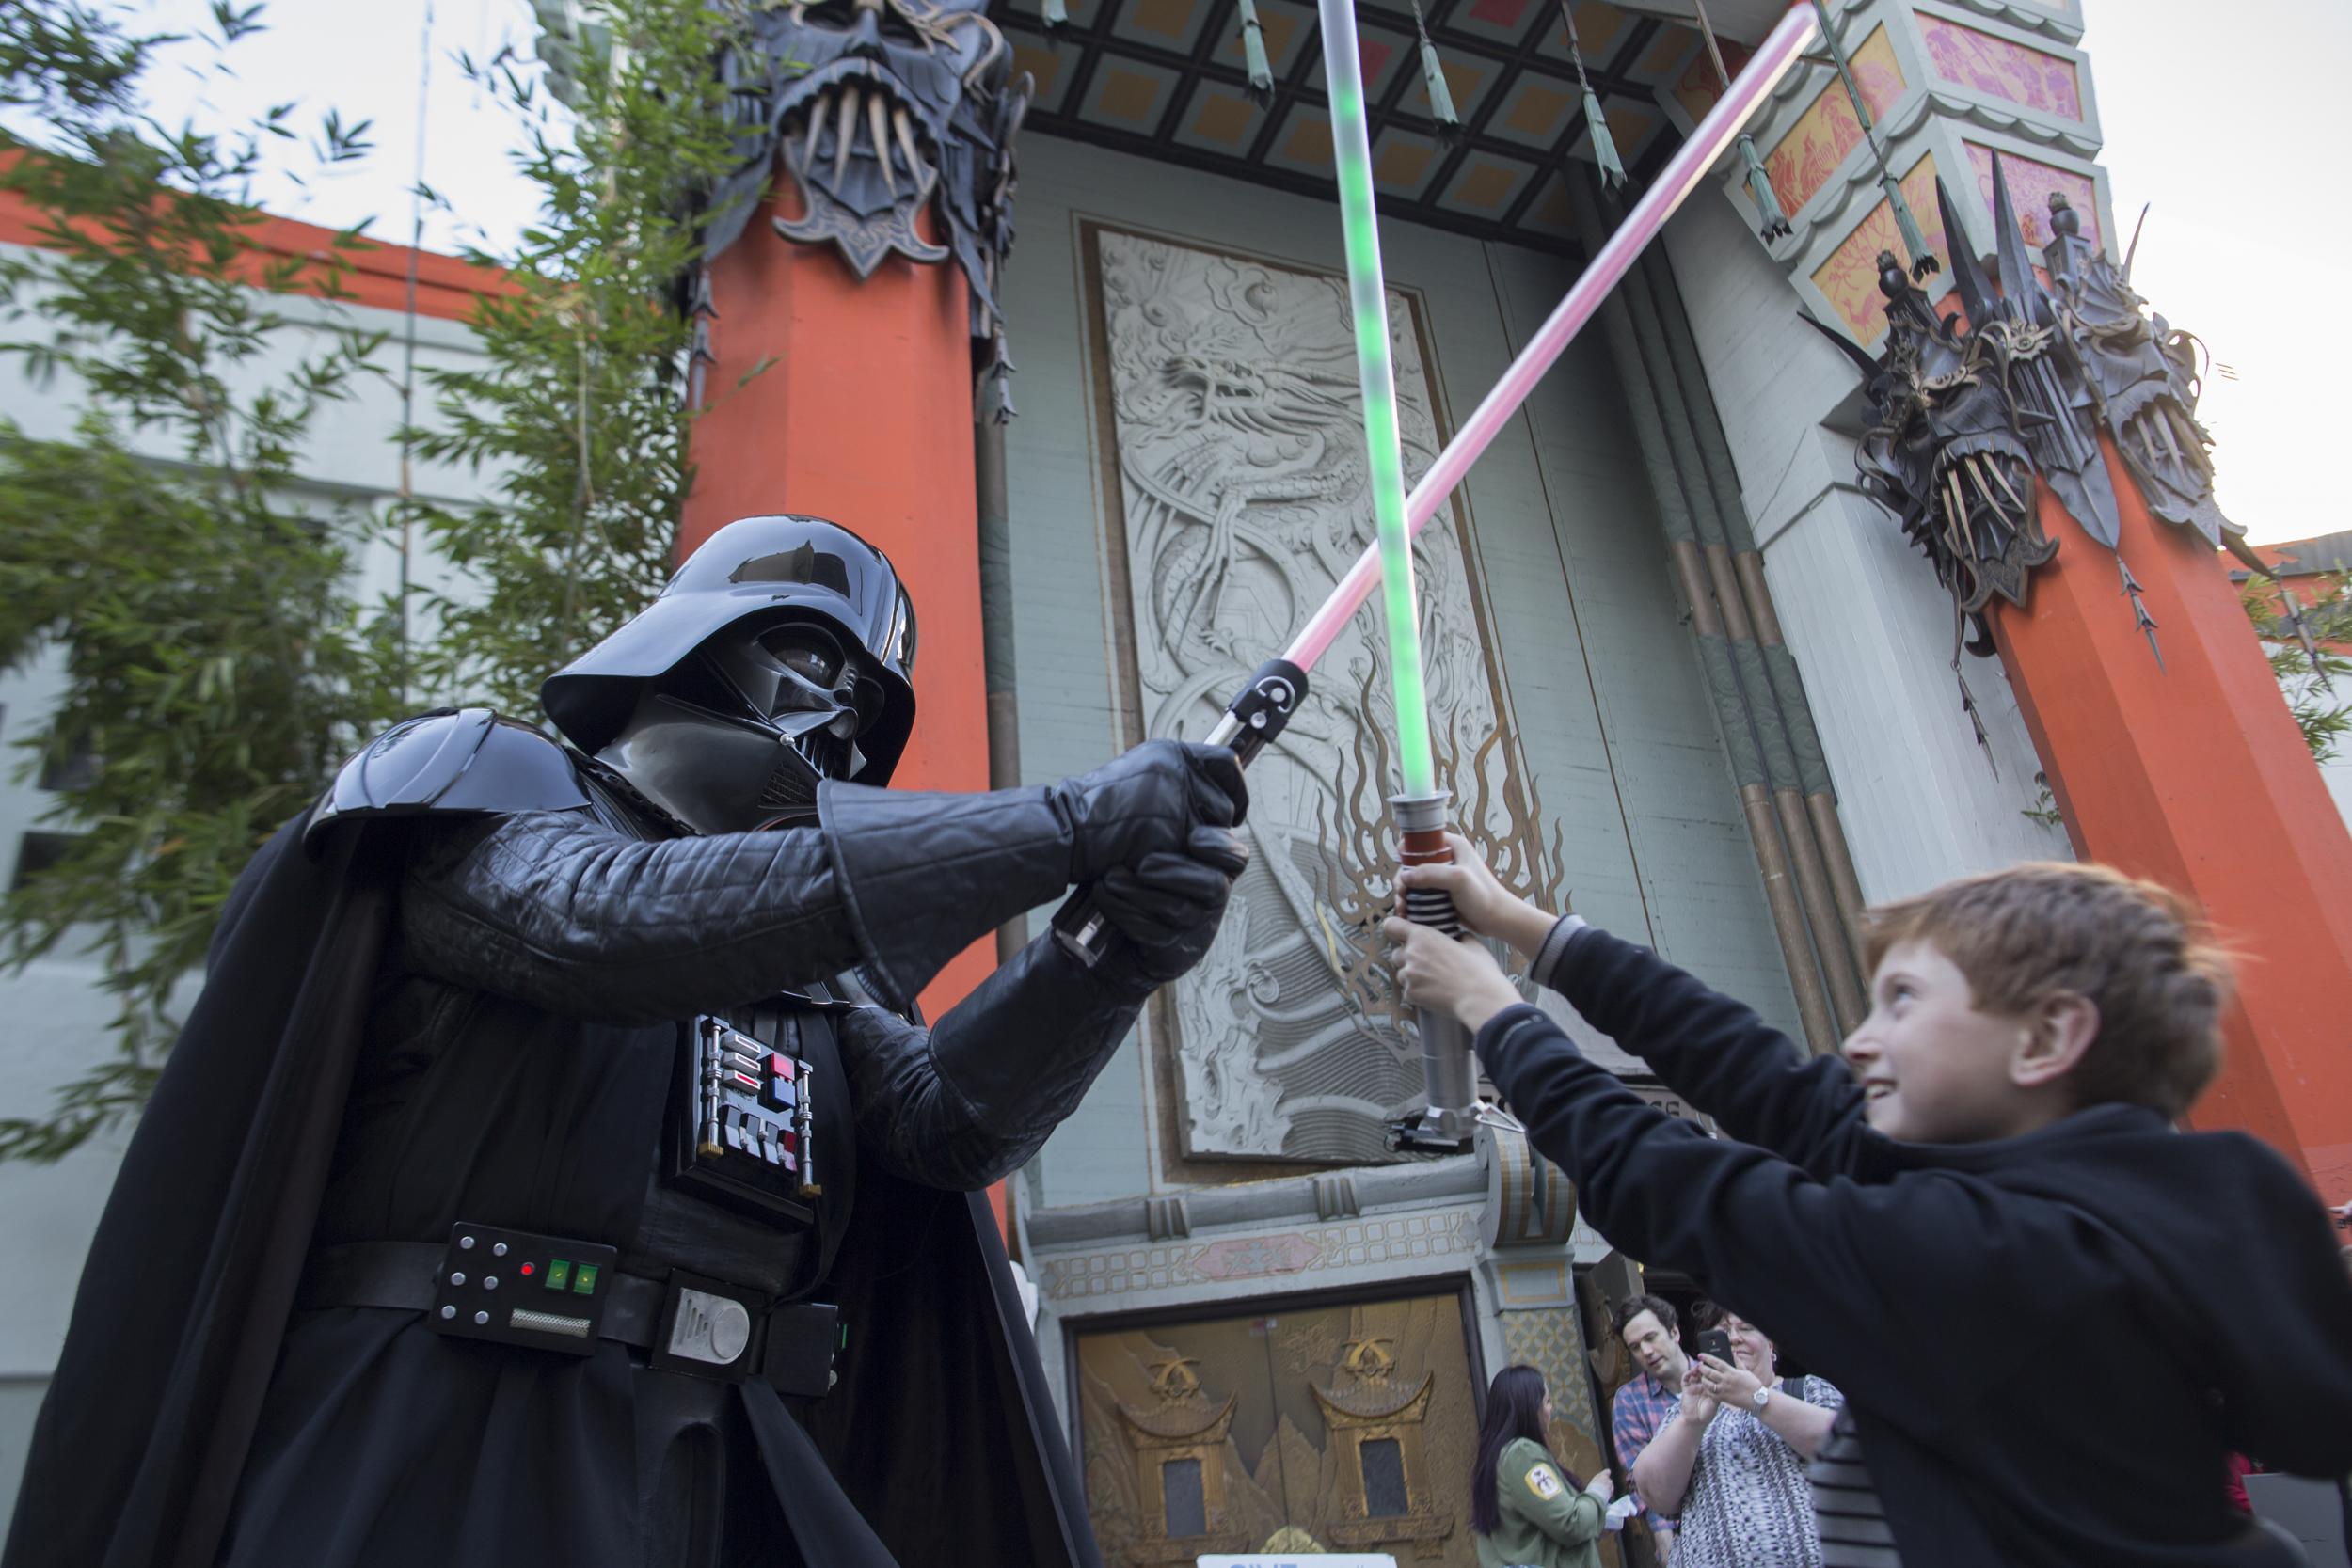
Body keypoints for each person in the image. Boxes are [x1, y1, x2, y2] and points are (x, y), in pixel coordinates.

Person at [5, 514, 1249, 1568]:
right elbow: (593, 926)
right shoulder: (490, 783)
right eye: (809, 655)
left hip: (729, 1444)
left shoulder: (816, 950)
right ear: (684, 639)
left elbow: (943, 1126)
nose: (839, 717)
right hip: (445, 1425)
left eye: (870, 699)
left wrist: (1106, 949)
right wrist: (1059, 826)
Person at [1388, 847, 2352, 1567]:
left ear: (2046, 1034)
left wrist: (1496, 1014)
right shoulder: (2093, 1208)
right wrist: (1521, 924)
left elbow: (1675, 1187)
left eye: (1900, 999)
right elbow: (1764, 1077)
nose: (1857, 1037)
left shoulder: (1991, 1259)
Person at [1633, 1304, 1841, 1568]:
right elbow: (1655, 1494)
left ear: (1771, 1344)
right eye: (1722, 1332)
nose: (1733, 1338)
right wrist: (1690, 1422)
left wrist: (1757, 1399)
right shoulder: (1684, 1412)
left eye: (1746, 1328)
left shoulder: (1808, 1389)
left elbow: (1847, 1450)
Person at [1473, 1364, 1618, 1568]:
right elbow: (1570, 1524)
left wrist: (1596, 1521)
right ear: (1531, 1407)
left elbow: (1543, 1530)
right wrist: (1598, 1493)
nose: (1551, 1409)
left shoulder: (1500, 1456)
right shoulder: (1521, 1455)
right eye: (1547, 1401)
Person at [1609, 1293, 1691, 1559]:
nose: (1645, 1351)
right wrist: (1663, 1537)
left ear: (1674, 1332)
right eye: (1635, 1347)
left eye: (1650, 1338)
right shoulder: (1630, 1400)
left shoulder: (1719, 1376)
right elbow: (1644, 1481)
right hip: (1685, 1532)